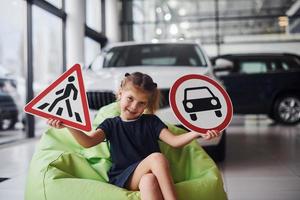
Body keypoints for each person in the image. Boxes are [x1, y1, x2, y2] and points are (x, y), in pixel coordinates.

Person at [47, 72, 222, 200]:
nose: (134, 106)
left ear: (147, 104)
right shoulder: (111, 124)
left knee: (149, 181)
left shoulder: (151, 122)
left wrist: (198, 132)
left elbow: (175, 142)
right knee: (157, 158)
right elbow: (88, 142)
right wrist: (68, 125)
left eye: (141, 103)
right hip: (124, 176)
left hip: (145, 174)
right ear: (120, 93)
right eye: (130, 99)